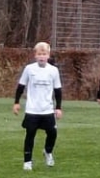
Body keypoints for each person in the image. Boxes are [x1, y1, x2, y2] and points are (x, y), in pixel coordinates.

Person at [14, 41, 64, 170]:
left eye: (44, 54)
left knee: (52, 133)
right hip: (32, 110)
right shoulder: (29, 69)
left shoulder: (53, 70)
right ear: (35, 55)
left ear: (48, 55)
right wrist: (16, 102)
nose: (42, 56)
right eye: (39, 54)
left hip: (47, 110)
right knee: (30, 134)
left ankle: (48, 151)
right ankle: (27, 161)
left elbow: (58, 90)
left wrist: (58, 108)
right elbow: (21, 86)